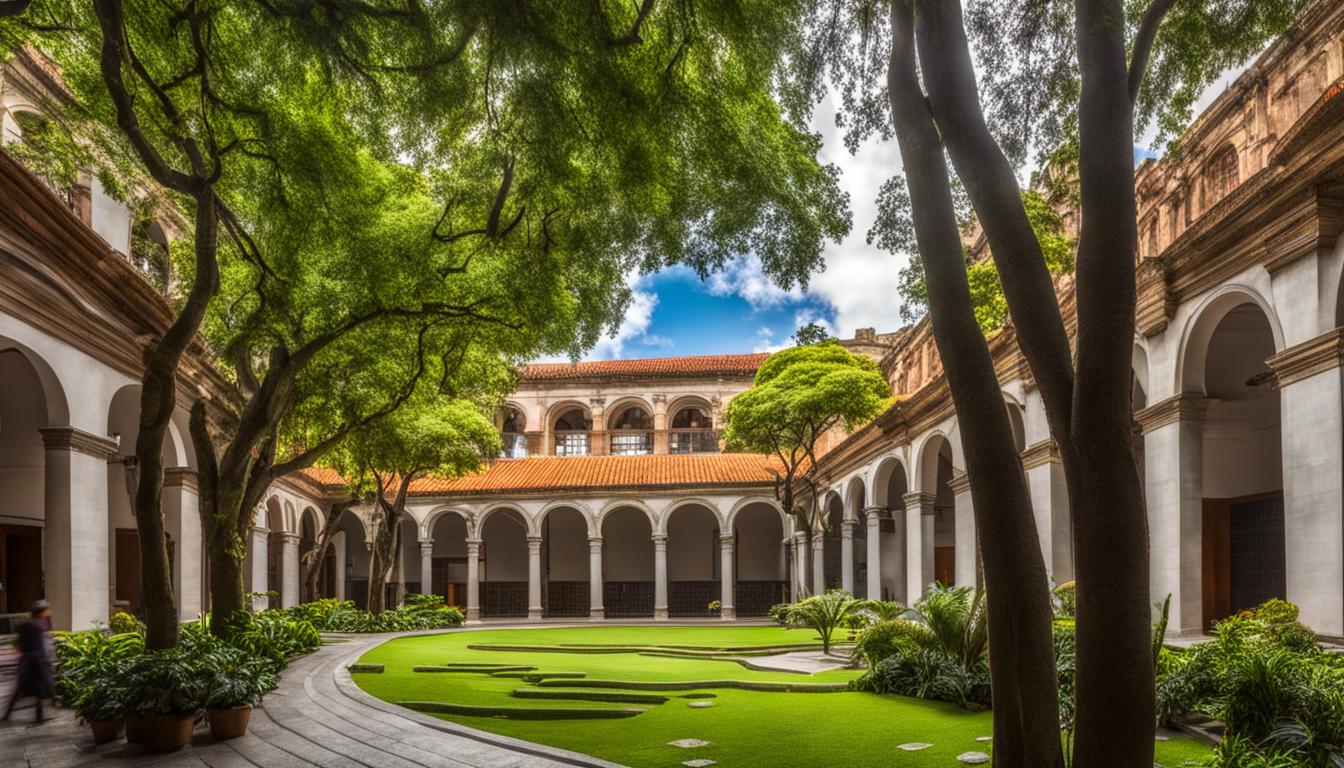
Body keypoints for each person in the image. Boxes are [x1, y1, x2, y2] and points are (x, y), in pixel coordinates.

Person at [2, 600, 55, 723]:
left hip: (29, 662)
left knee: (28, 690)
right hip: (34, 662)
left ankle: (10, 715)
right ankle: (36, 717)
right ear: (41, 612)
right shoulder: (34, 626)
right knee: (33, 689)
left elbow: (19, 644)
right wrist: (43, 662)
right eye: (47, 610)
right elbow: (36, 647)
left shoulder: (34, 624)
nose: (49, 612)